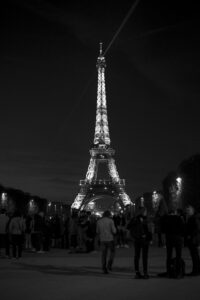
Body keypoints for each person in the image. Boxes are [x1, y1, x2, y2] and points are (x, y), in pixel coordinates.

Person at [127, 206, 152, 279]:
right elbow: (149, 230)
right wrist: (150, 238)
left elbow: (128, 227)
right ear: (143, 212)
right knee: (144, 257)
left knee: (136, 256)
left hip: (136, 239)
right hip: (144, 240)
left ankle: (137, 272)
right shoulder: (146, 219)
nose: (146, 212)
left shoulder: (134, 219)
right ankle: (145, 273)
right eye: (145, 211)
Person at [161, 205, 185, 278]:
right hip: (178, 238)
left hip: (169, 238)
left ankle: (168, 272)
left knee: (169, 255)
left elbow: (163, 229)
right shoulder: (179, 218)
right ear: (174, 212)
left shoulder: (165, 218)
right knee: (178, 255)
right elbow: (183, 228)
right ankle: (178, 273)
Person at [185, 205, 200, 276]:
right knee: (195, 255)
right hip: (193, 239)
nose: (187, 212)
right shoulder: (191, 218)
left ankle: (195, 271)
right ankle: (196, 270)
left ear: (192, 211)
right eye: (187, 210)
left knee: (195, 255)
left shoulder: (194, 218)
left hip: (193, 240)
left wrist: (190, 235)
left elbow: (197, 228)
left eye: (189, 210)